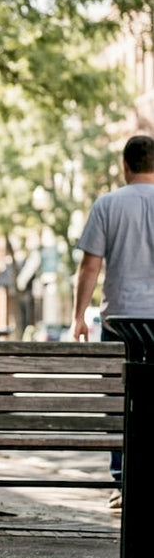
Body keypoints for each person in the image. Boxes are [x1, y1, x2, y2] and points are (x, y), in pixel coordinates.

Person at [72, 134, 154, 509]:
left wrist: (78, 317)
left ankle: (123, 483)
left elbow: (91, 266)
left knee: (118, 402)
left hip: (120, 319)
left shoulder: (108, 205)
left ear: (126, 165)